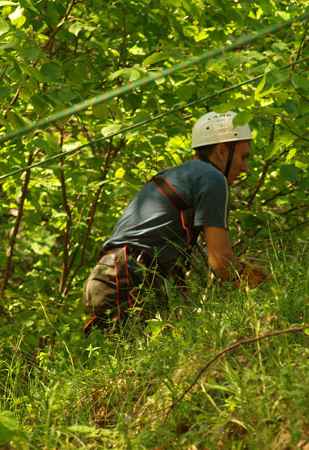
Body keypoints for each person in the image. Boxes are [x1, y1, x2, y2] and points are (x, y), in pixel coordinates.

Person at [82, 111, 260, 334]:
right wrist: (263, 283)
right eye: (243, 157)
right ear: (222, 150)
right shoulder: (211, 178)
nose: (245, 168)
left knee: (132, 364)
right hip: (128, 277)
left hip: (111, 275)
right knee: (137, 365)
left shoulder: (183, 174)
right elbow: (221, 263)